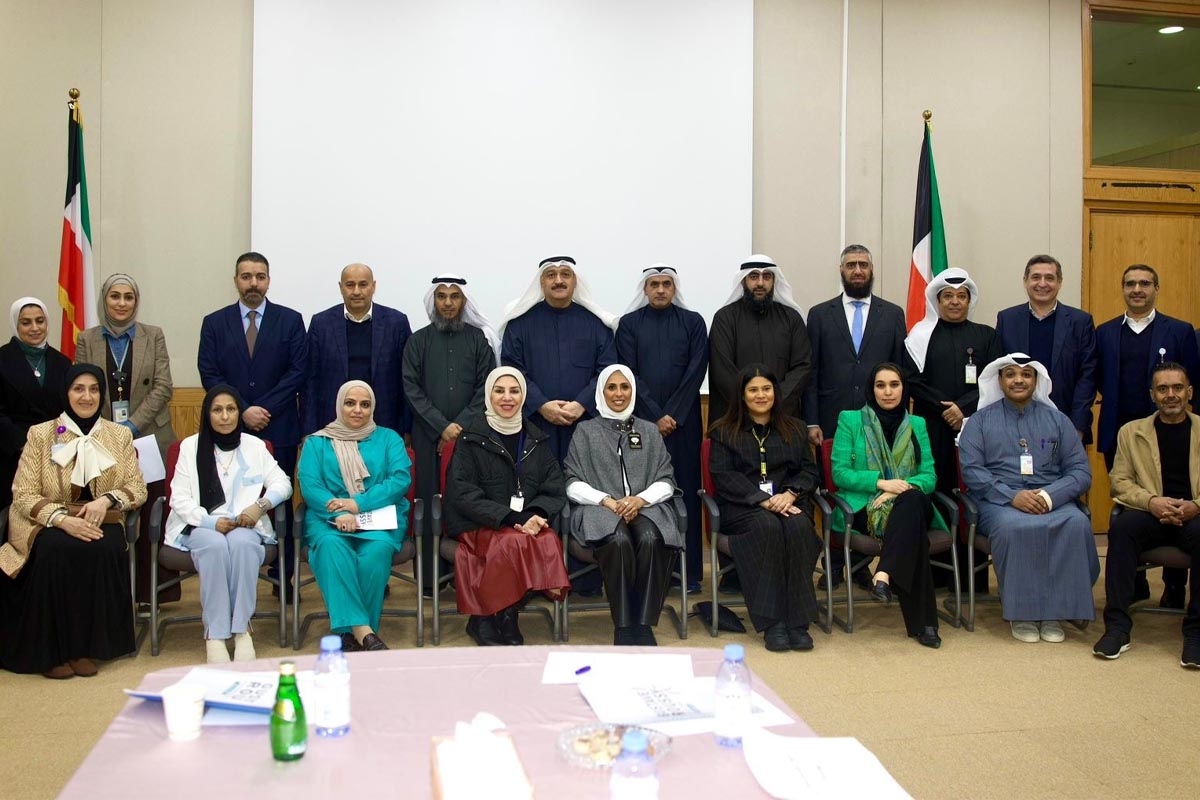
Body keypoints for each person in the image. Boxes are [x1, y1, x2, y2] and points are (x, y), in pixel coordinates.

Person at [0, 364, 147, 678]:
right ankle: (53, 652)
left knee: (103, 546)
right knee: (55, 549)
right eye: (78, 389)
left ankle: (83, 649)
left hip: (101, 516)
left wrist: (106, 500)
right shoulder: (40, 434)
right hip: (47, 519)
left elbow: (138, 488)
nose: (87, 396)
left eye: (94, 389)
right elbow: (23, 493)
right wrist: (61, 520)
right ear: (66, 393)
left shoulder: (119, 434)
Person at [957, 354, 1100, 644]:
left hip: (1051, 499)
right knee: (1015, 527)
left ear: (1036, 381)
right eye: (1010, 374)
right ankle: (1022, 613)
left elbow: (1080, 472)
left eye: (1026, 374)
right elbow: (972, 472)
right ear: (999, 381)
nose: (1018, 380)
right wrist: (1012, 496)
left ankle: (1055, 611)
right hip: (998, 502)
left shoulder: (1058, 420)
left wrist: (1049, 495)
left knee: (1076, 523)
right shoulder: (979, 422)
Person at [198, 252, 307, 597]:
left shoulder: (290, 320)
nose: (253, 283)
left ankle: (283, 577)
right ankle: (232, 567)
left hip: (280, 427)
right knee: (227, 498)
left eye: (260, 276)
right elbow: (209, 372)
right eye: (246, 277)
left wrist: (264, 409)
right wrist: (243, 410)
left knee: (279, 502)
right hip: (228, 427)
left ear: (268, 281)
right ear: (236, 281)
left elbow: (297, 372)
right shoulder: (214, 323)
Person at [802, 244, 906, 591]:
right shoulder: (820, 314)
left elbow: (899, 372)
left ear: (871, 270)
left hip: (880, 421)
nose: (858, 270)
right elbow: (812, 373)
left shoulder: (892, 314)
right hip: (831, 419)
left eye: (863, 265)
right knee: (835, 491)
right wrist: (812, 421)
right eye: (851, 265)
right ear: (841, 270)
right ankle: (833, 566)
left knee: (870, 490)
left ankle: (861, 566)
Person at [444, 366, 571, 646]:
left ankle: (507, 615)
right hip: (477, 522)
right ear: (488, 396)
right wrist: (512, 518)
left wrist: (535, 515)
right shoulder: (469, 438)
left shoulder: (536, 438)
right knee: (512, 542)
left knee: (546, 539)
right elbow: (462, 494)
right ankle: (485, 618)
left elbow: (555, 487)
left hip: (522, 521)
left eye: (514, 391)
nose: (507, 397)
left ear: (523, 396)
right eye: (499, 391)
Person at [1095, 264, 1198, 608]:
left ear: (1156, 288)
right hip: (1123, 435)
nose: (1137, 289)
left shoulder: (1179, 331)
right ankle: (1135, 583)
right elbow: (1098, 379)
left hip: (1171, 430)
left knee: (1176, 499)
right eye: (1130, 284)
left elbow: (1192, 379)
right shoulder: (1105, 332)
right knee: (1131, 505)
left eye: (1144, 283)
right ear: (1122, 289)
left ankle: (1174, 586)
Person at [165, 385, 292, 663]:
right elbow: (179, 498)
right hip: (199, 525)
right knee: (214, 546)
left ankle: (242, 629)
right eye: (217, 410)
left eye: (231, 409)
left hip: (245, 525)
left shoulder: (255, 446)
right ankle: (215, 632)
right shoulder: (190, 447)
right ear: (207, 414)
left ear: (238, 412)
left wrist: (259, 506)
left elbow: (283, 483)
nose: (225, 416)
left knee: (243, 544)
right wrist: (210, 522)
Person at [75, 273, 178, 605]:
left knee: (151, 514)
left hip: (150, 438)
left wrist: (131, 426)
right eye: (115, 296)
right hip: (102, 438)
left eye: (128, 297)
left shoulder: (153, 335)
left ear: (136, 301)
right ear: (104, 300)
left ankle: (151, 594)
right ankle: (113, 595)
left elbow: (163, 387)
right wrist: (111, 431)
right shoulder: (87, 339)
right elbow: (82, 387)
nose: (121, 303)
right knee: (111, 511)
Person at [564, 365, 683, 646]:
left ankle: (643, 623)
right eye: (612, 387)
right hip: (599, 509)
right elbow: (571, 482)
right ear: (601, 392)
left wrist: (640, 500)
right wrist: (605, 500)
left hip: (646, 507)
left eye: (625, 387)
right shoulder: (585, 431)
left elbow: (667, 480)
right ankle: (624, 624)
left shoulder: (649, 431)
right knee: (618, 541)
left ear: (633, 391)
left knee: (651, 538)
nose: (619, 394)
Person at [830, 363, 946, 648]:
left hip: (908, 499)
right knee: (913, 531)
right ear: (871, 389)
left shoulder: (917, 424)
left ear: (904, 388)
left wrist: (898, 490)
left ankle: (883, 573)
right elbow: (840, 473)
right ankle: (926, 625)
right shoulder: (850, 420)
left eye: (894, 385)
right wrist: (882, 484)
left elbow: (929, 476)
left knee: (912, 501)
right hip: (864, 507)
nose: (888, 392)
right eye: (880, 385)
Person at [708, 364, 823, 652]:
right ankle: (772, 623)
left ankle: (798, 622)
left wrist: (791, 493)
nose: (761, 395)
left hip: (788, 503)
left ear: (775, 392)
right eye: (753, 390)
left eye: (766, 389)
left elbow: (809, 471)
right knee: (766, 526)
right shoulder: (723, 431)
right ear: (742, 395)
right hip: (742, 507)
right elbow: (724, 476)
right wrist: (761, 499)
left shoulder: (795, 428)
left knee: (798, 526)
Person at [1094, 362, 1200, 667]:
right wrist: (1152, 502)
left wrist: (1196, 505)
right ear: (1152, 395)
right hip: (1149, 513)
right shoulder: (1131, 432)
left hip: (1194, 514)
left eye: (1177, 388)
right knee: (1122, 527)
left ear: (1189, 392)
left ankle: (1196, 632)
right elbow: (1120, 482)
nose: (1171, 395)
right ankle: (1117, 627)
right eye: (1163, 389)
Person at [903, 267, 1000, 593]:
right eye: (948, 296)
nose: (955, 302)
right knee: (935, 491)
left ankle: (973, 580)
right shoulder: (921, 337)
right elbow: (911, 380)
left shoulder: (987, 336)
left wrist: (964, 408)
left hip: (977, 427)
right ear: (937, 300)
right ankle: (936, 576)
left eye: (961, 296)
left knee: (972, 492)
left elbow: (995, 379)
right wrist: (946, 409)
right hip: (932, 427)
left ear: (970, 300)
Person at [297, 380, 411, 652]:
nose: (357, 410)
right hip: (328, 521)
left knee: (376, 553)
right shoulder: (317, 443)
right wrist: (339, 513)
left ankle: (348, 635)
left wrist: (357, 505)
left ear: (373, 408)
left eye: (365, 404)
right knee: (331, 547)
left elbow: (399, 480)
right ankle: (364, 633)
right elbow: (310, 486)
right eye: (350, 403)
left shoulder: (389, 439)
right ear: (339, 406)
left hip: (379, 520)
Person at [615, 265, 707, 593]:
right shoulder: (629, 324)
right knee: (645, 493)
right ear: (645, 289)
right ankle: (650, 571)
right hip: (641, 424)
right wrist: (655, 416)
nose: (660, 290)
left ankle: (689, 573)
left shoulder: (693, 322)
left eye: (667, 284)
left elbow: (696, 370)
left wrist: (673, 415)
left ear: (674, 288)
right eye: (654, 284)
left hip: (685, 425)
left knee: (686, 493)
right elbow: (629, 373)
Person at [402, 274, 496, 593]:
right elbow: (411, 388)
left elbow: (486, 387)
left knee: (466, 503)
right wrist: (442, 426)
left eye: (454, 296)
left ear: (463, 301)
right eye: (441, 296)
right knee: (429, 501)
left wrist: (459, 427)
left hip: (470, 439)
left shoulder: (478, 340)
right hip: (428, 438)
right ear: (434, 301)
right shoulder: (418, 340)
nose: (448, 302)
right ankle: (430, 581)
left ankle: (464, 577)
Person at [499, 256, 617, 463]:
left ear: (575, 281)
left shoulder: (596, 324)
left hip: (586, 422)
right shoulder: (519, 324)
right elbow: (512, 369)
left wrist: (581, 403)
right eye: (551, 275)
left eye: (565, 274)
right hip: (535, 423)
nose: (559, 280)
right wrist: (541, 405)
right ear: (541, 282)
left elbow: (607, 369)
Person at [995, 255, 1098, 442]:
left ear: (1060, 282)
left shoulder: (1080, 322)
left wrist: (1077, 426)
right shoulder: (1007, 320)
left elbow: (1088, 376)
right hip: (1015, 422)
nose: (1042, 283)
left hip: (1066, 422)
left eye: (1049, 278)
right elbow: (999, 373)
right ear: (1025, 281)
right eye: (1036, 277)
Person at [303, 262, 412, 435]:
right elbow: (310, 381)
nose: (356, 291)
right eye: (350, 285)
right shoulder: (321, 324)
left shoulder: (396, 323)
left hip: (385, 422)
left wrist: (407, 429)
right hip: (332, 423)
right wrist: (308, 431)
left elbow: (407, 379)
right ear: (341, 287)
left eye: (363, 285)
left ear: (373, 286)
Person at [708, 255, 811, 424]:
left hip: (783, 416)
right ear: (743, 280)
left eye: (767, 277)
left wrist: (773, 403)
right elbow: (722, 370)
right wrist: (750, 404)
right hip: (737, 419)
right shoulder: (725, 318)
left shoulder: (791, 318)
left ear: (774, 281)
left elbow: (802, 366)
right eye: (754, 276)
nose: (760, 283)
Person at [0, 297, 71, 510]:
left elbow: (68, 410)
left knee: (53, 511)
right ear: (16, 324)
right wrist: (25, 443)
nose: (34, 328)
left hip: (54, 450)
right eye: (26, 322)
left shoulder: (62, 362)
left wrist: (57, 441)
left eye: (40, 321)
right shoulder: (2, 359)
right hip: (12, 452)